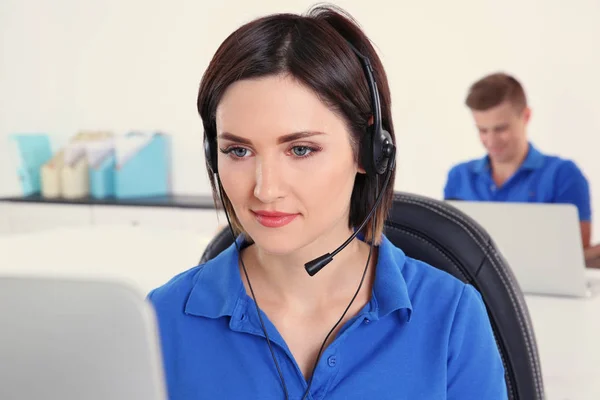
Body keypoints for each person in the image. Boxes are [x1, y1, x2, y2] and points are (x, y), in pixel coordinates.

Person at [148, 6, 507, 399]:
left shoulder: (451, 317)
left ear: (368, 152)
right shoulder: (159, 320)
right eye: (238, 151)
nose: (266, 190)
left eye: (300, 149)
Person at [444, 72, 600, 268]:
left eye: (501, 129)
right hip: (476, 291)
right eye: (483, 130)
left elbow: (577, 261)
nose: (491, 141)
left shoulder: (564, 176)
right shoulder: (459, 177)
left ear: (526, 116)